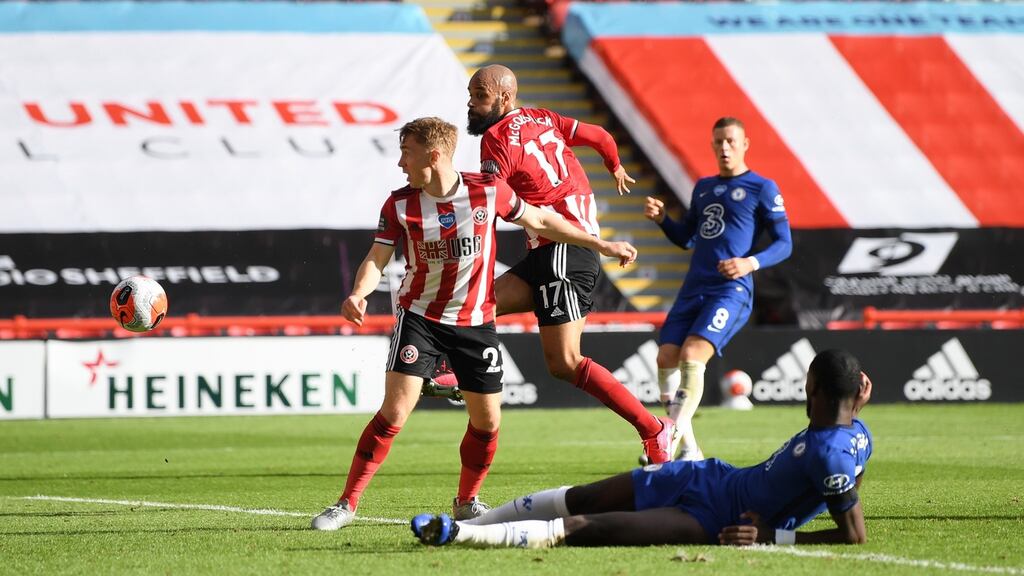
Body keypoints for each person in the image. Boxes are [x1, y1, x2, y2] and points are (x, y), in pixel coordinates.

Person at [311, 117, 638, 531]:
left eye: (405, 153)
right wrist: (359, 292)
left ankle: (467, 503)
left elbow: (540, 221)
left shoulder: (486, 191)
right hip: (421, 318)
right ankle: (346, 504)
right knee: (395, 410)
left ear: (433, 155)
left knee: (487, 422)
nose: (399, 163)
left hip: (475, 322)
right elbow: (378, 258)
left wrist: (601, 244)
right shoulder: (398, 204)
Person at [411, 349, 873, 549]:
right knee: (586, 496)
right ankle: (466, 522)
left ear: (811, 388)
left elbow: (854, 535)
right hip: (708, 476)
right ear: (857, 394)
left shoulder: (832, 453)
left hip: (712, 520)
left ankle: (458, 536)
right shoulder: (856, 434)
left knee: (589, 525)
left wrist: (774, 536)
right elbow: (841, 465)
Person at [460, 63, 674, 464]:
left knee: (565, 363)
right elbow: (601, 136)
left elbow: (495, 200)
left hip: (564, 250)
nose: (471, 104)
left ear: (504, 98)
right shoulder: (545, 117)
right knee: (478, 305)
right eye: (471, 95)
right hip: (551, 249)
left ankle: (654, 429)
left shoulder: (494, 140)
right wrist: (615, 166)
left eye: (480, 96)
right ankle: (453, 372)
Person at [642, 117, 793, 462]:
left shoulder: (762, 187)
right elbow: (687, 239)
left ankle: (667, 438)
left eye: (730, 141)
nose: (724, 148)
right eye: (718, 142)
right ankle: (689, 449)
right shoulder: (704, 187)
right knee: (666, 357)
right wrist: (664, 219)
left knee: (692, 356)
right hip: (694, 286)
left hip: (731, 288)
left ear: (744, 144)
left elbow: (785, 243)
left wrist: (749, 263)